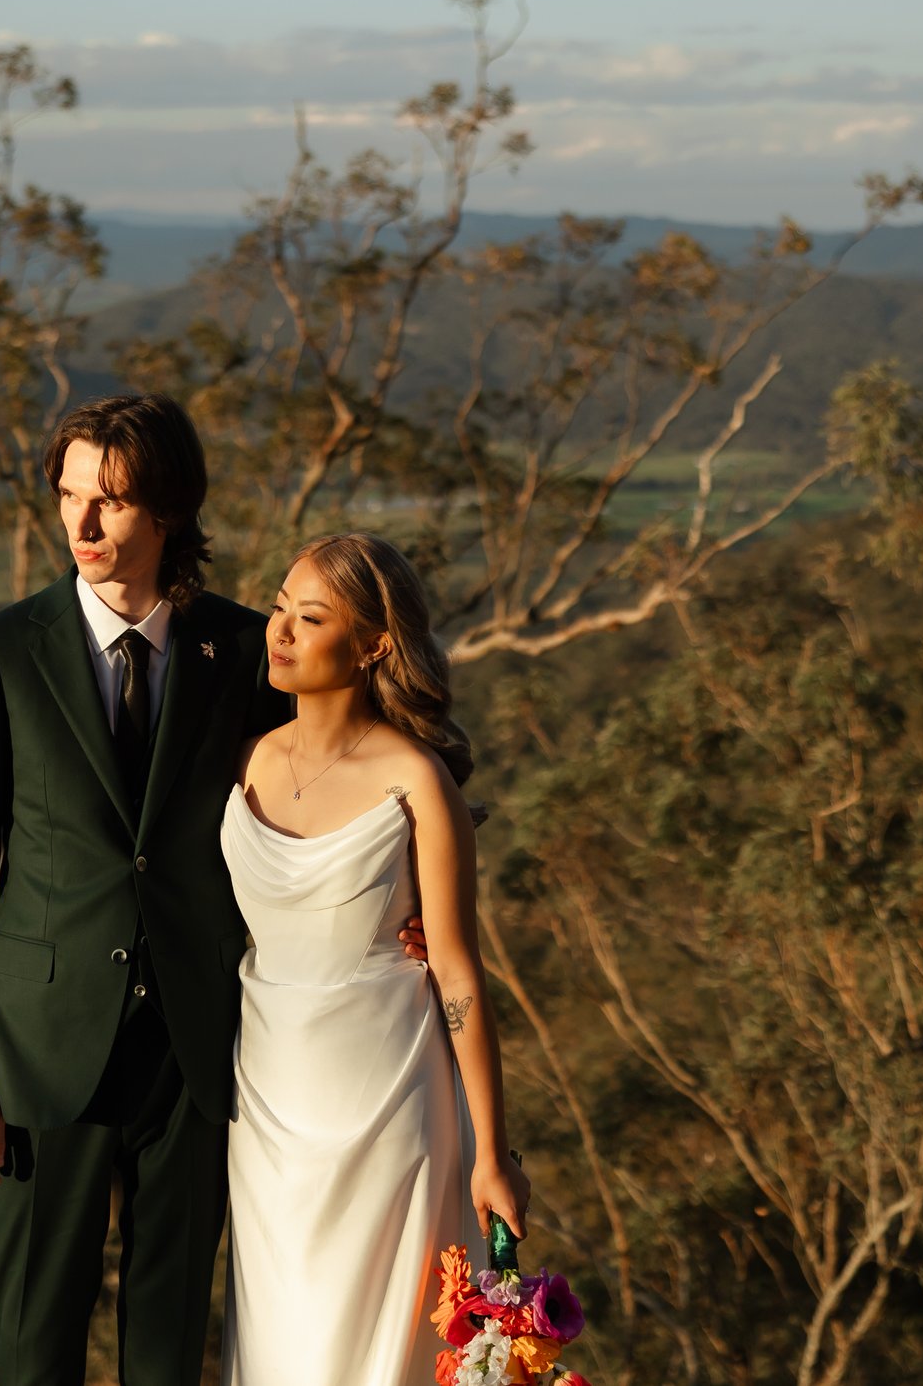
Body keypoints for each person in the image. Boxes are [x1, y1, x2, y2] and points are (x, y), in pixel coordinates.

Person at [0, 394, 426, 1386]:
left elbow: (339, 765)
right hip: (39, 1053)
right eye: (68, 496)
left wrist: (402, 897)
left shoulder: (243, 648)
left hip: (199, 1051)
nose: (81, 524)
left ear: (169, 509)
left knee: (166, 1349)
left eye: (108, 500)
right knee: (35, 1344)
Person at [220, 531, 530, 1386]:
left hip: (389, 1098)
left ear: (372, 644)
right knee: (284, 1338)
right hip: (265, 1105)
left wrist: (491, 1152)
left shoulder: (417, 780)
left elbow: (460, 974)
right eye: (279, 606)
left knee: (373, 1349)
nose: (280, 630)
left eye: (310, 617)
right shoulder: (240, 757)